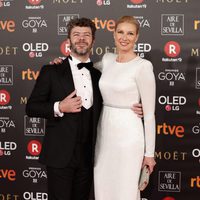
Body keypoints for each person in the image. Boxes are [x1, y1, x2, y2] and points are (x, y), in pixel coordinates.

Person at [26, 17, 143, 200]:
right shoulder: (52, 71)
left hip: (89, 157)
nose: (82, 39)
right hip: (60, 156)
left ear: (93, 40)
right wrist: (59, 106)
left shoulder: (99, 75)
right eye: (76, 35)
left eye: (86, 35)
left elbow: (117, 93)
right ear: (68, 40)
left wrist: (135, 107)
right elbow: (32, 107)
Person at [94, 16, 156, 200]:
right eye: (120, 32)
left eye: (130, 33)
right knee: (102, 184)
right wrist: (62, 65)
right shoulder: (107, 59)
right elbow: (83, 69)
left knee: (125, 189)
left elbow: (150, 115)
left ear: (137, 37)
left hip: (129, 135)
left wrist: (149, 154)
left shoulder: (143, 66)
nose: (124, 37)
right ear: (114, 34)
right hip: (104, 133)